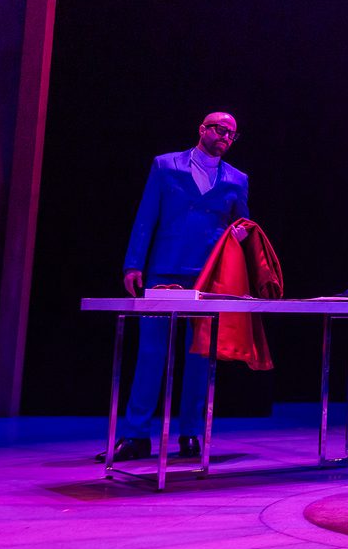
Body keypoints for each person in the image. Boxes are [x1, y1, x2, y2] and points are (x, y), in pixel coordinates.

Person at [103, 111, 250, 463]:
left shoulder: (237, 178)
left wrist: (241, 237)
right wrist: (133, 263)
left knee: (199, 355)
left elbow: (242, 222)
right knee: (151, 352)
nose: (225, 136)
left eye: (232, 133)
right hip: (165, 269)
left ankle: (191, 433)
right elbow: (146, 215)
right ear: (202, 129)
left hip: (208, 275)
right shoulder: (166, 166)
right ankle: (136, 434)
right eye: (219, 129)